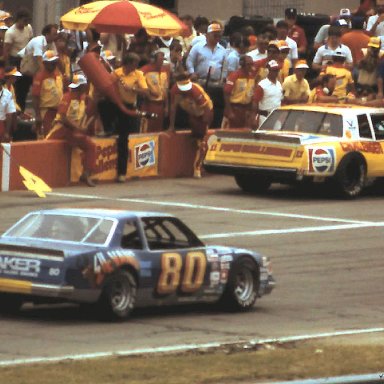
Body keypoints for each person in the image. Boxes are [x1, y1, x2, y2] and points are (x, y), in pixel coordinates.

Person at [46, 74, 97, 187]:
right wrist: (78, 128)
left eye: (78, 87)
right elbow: (63, 117)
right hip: (62, 128)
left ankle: (86, 174)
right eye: (75, 87)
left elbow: (89, 113)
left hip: (74, 132)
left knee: (91, 146)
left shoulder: (84, 99)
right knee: (45, 146)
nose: (76, 90)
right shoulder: (67, 97)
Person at [111, 52, 149, 183]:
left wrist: (133, 88)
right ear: (128, 63)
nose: (137, 66)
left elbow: (145, 91)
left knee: (124, 139)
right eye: (135, 63)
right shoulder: (116, 73)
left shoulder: (138, 74)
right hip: (116, 105)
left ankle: (122, 172)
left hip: (129, 106)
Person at [169, 72, 213, 178]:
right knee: (196, 141)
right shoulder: (174, 90)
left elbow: (207, 110)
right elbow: (173, 108)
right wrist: (171, 126)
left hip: (203, 113)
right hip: (192, 113)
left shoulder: (195, 91)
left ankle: (197, 167)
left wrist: (205, 124)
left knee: (202, 142)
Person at [3, 9, 33, 111]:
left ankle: (22, 110)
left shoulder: (28, 28)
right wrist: (7, 67)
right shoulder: (10, 32)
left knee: (26, 87)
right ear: (19, 20)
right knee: (17, 88)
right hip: (15, 60)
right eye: (24, 21)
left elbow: (30, 41)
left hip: (27, 59)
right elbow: (6, 51)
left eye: (27, 21)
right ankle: (15, 110)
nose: (26, 23)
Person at [31, 50, 63, 138]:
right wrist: (37, 115)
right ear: (45, 63)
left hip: (58, 112)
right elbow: (35, 96)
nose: (54, 65)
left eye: (55, 62)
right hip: (46, 112)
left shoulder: (58, 74)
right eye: (51, 63)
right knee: (46, 136)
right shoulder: (40, 77)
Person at [222, 54, 255, 128]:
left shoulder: (252, 76)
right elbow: (226, 92)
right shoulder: (234, 75)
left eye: (252, 64)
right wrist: (229, 111)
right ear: (242, 64)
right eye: (248, 64)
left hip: (246, 109)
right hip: (235, 108)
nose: (251, 66)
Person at [140, 50, 169, 132]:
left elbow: (166, 89)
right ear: (153, 59)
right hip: (148, 105)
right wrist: (148, 92)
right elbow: (138, 84)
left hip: (161, 105)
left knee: (158, 129)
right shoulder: (144, 70)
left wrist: (166, 106)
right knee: (147, 128)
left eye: (163, 59)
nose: (162, 61)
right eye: (160, 59)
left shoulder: (164, 71)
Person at [251, 60, 283, 128]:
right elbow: (255, 102)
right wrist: (254, 117)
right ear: (268, 71)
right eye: (274, 70)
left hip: (277, 117)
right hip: (264, 117)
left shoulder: (279, 84)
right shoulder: (262, 85)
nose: (276, 72)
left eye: (277, 70)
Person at [0, 67, 16, 142]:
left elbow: (10, 114)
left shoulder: (8, 92)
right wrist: (7, 132)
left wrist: (7, 132)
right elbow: (10, 114)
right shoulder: (7, 93)